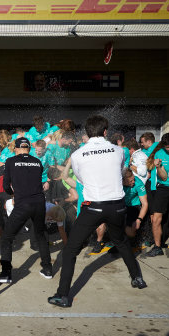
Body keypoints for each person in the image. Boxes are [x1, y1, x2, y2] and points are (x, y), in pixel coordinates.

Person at [48, 115, 146, 309]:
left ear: (87, 133)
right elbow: (119, 172)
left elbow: (82, 180)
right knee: (121, 241)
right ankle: (137, 278)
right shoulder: (119, 151)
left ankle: (63, 296)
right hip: (117, 205)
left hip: (94, 206)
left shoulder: (78, 154)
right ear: (105, 132)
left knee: (70, 251)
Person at [0, 137, 52, 283]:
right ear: (29, 149)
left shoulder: (11, 161)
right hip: (39, 202)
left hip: (23, 203)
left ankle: (6, 273)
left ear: (16, 149)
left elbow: (6, 185)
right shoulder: (37, 162)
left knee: (6, 237)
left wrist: (13, 194)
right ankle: (48, 269)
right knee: (41, 235)